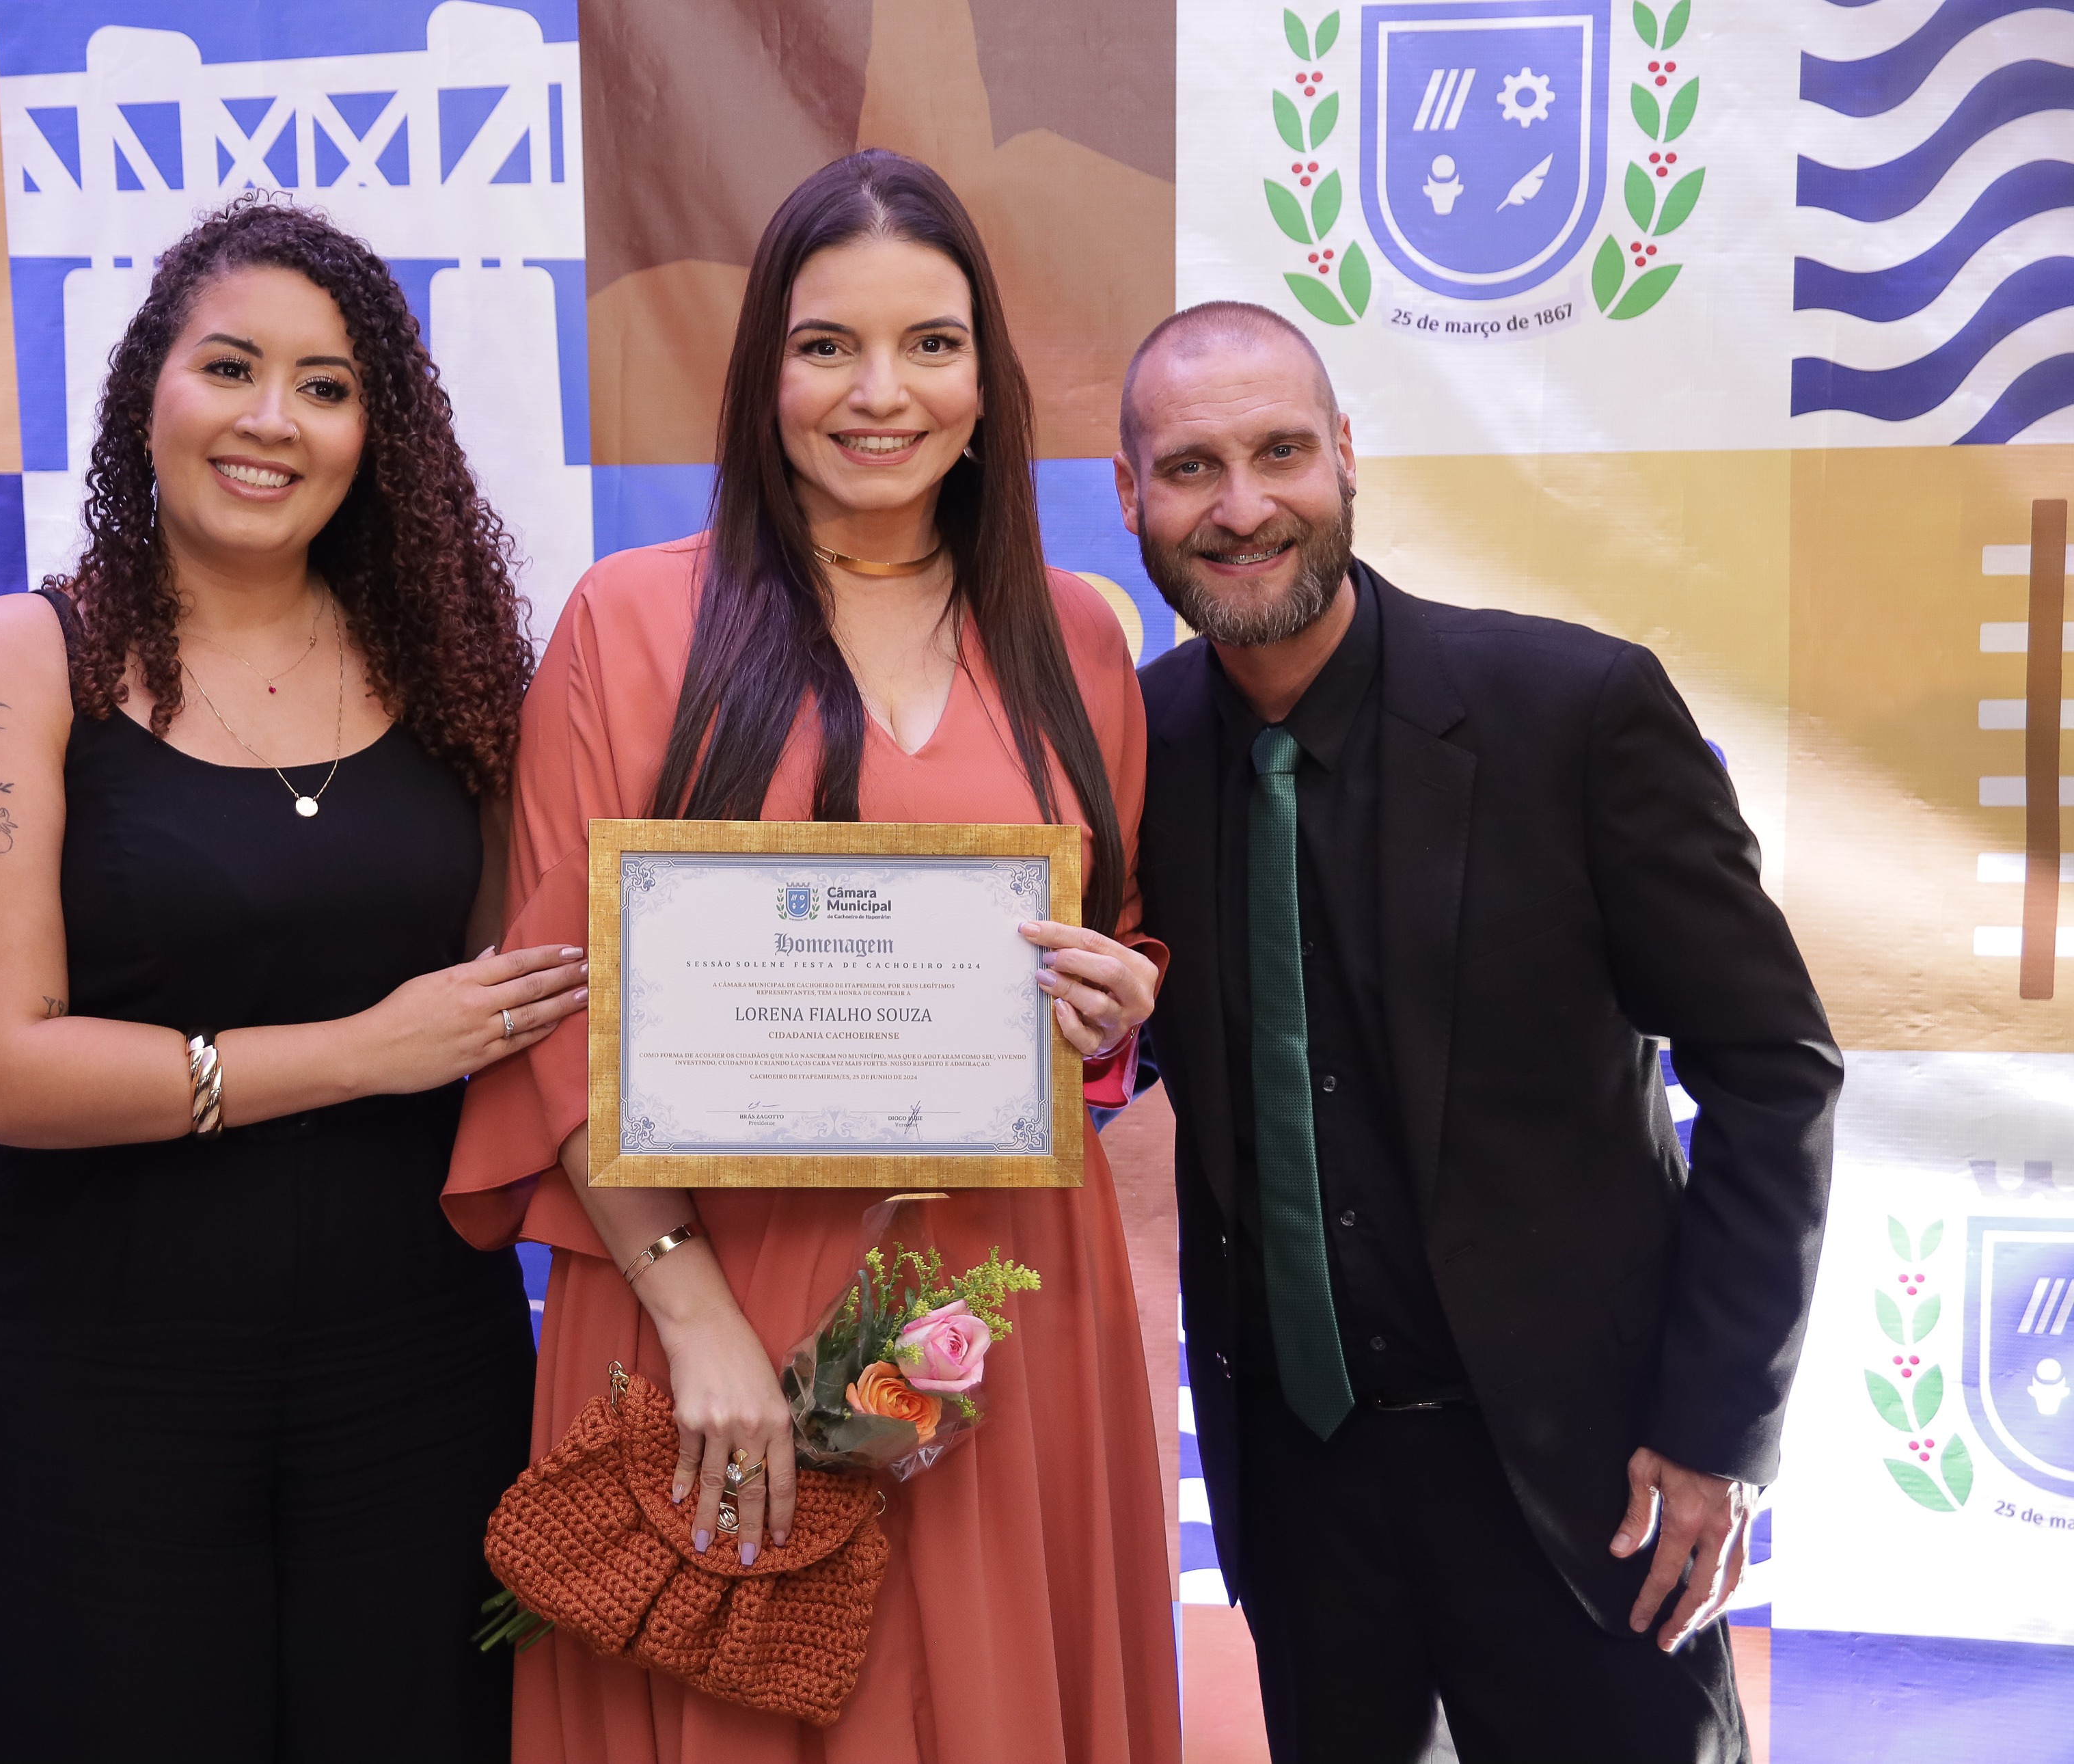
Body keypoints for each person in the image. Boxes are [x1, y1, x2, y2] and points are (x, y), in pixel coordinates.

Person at [445, 150, 1180, 1762]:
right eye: (826, 344)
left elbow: (1106, 955)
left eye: (931, 344)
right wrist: (696, 1319)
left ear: (986, 381)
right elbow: (559, 1013)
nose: (880, 392)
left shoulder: (1080, 640)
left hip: (1001, 1312)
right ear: (761, 377)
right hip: (699, 1303)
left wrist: (1113, 1008)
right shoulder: (628, 624)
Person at [0, 194, 586, 1761]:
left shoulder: (461, 673)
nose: (273, 419)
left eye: (327, 387)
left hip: (418, 1379)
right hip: (80, 1382)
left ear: (375, 437)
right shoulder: (15, 661)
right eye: (229, 367)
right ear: (147, 389)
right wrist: (359, 1051)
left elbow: (539, 982)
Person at [1120, 301, 1840, 1763]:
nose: (1242, 506)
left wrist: (1715, 1434)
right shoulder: (1127, 753)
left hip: (1592, 1487)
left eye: (1280, 452)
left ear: (1347, 455)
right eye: (1190, 467)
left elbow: (1773, 1071)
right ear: (1128, 493)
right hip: (1304, 1497)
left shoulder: (1573, 712)